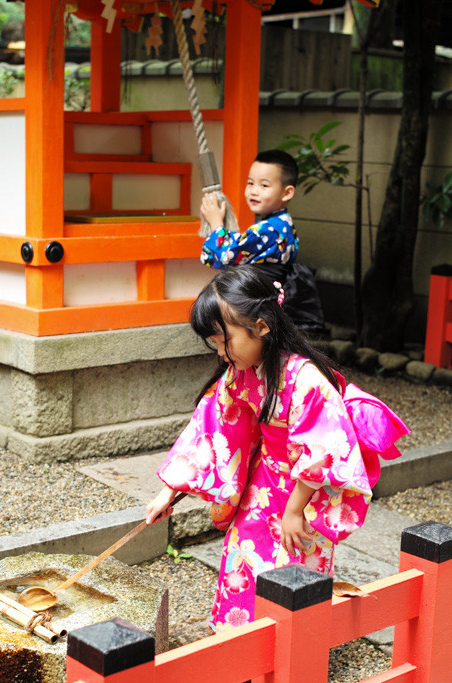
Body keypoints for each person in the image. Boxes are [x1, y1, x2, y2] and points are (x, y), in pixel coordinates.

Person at [144, 265, 407, 632]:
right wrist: (168, 492)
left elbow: (324, 449)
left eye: (225, 340)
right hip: (265, 482)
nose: (221, 354)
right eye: (215, 343)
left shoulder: (306, 378)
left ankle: (294, 652)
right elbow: (212, 428)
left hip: (307, 493)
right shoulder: (244, 373)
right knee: (242, 557)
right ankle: (240, 641)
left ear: (262, 327)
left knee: (297, 566)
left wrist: (295, 509)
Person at [198, 149, 325, 334]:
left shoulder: (268, 229)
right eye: (250, 183)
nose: (254, 191)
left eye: (264, 185)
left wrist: (216, 222)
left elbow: (225, 256)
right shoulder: (284, 223)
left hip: (258, 304)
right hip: (268, 301)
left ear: (287, 193)